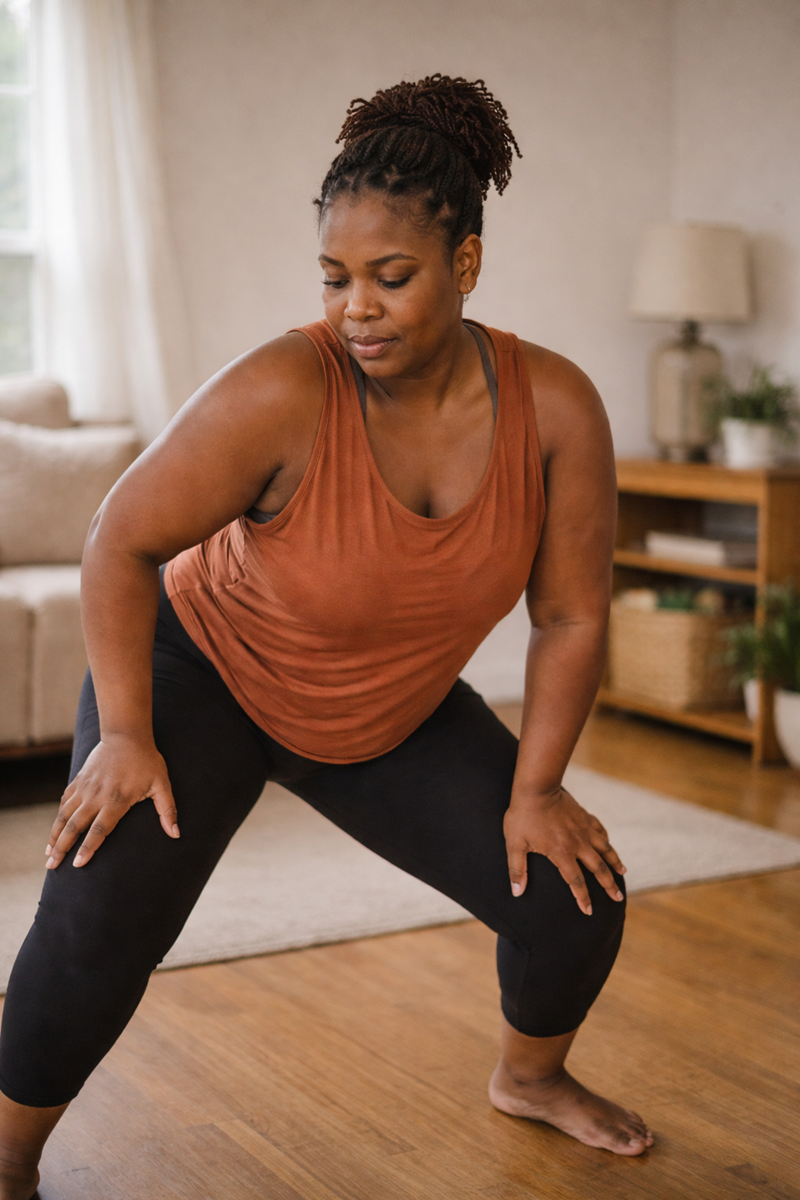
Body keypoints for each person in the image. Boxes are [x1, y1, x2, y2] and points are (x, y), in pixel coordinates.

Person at [0, 74, 653, 1199]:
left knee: (570, 893)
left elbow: (569, 614)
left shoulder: (554, 408)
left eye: (389, 278)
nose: (356, 306)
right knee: (97, 922)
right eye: (335, 277)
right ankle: (8, 1158)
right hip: (199, 669)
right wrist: (124, 734)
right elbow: (117, 540)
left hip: (380, 710)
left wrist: (536, 786)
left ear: (464, 264)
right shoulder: (283, 387)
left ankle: (529, 1078)